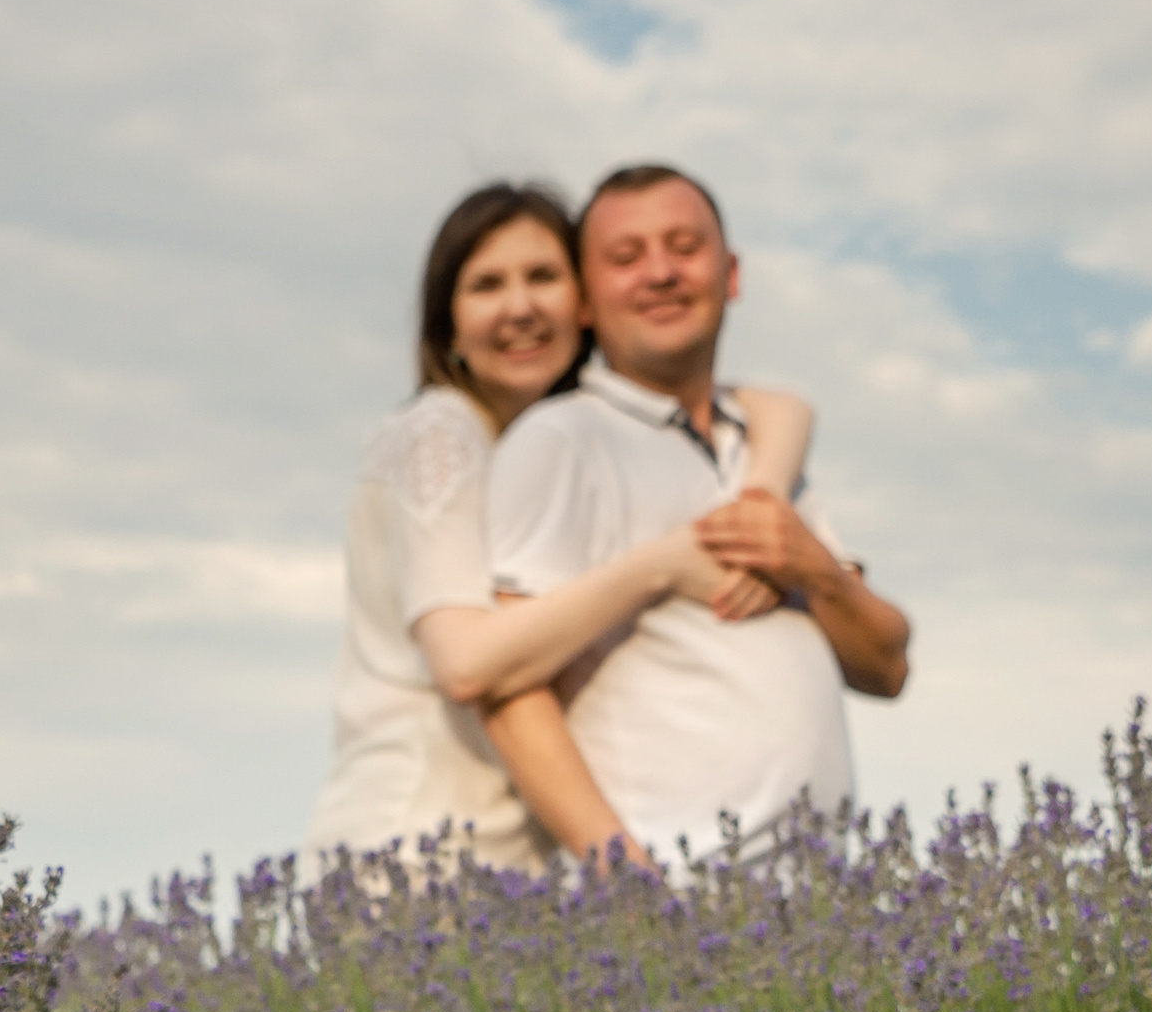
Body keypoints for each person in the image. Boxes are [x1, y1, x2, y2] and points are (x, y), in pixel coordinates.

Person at [307, 181, 813, 874]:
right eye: (486, 285)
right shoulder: (442, 432)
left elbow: (781, 407)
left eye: (542, 277)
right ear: (447, 325)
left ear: (582, 305)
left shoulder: (542, 445)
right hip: (421, 846)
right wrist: (661, 566)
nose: (519, 308)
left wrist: (765, 494)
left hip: (513, 859)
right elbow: (464, 664)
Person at [484, 166, 910, 866]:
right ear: (585, 301)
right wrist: (630, 883)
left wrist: (818, 574)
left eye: (685, 247)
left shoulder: (764, 446)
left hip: (823, 911)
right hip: (680, 911)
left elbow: (886, 669)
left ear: (732, 272)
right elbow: (510, 685)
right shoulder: (563, 439)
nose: (660, 273)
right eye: (626, 258)